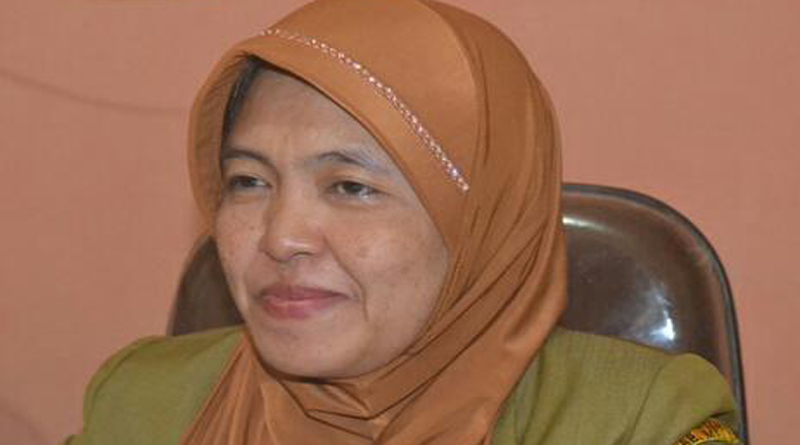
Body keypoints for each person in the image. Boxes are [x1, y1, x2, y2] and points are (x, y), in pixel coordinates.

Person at [63, 0, 743, 444]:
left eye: (351, 187)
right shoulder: (140, 407)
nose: (280, 236)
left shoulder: (643, 424)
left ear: (482, 227)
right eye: (249, 181)